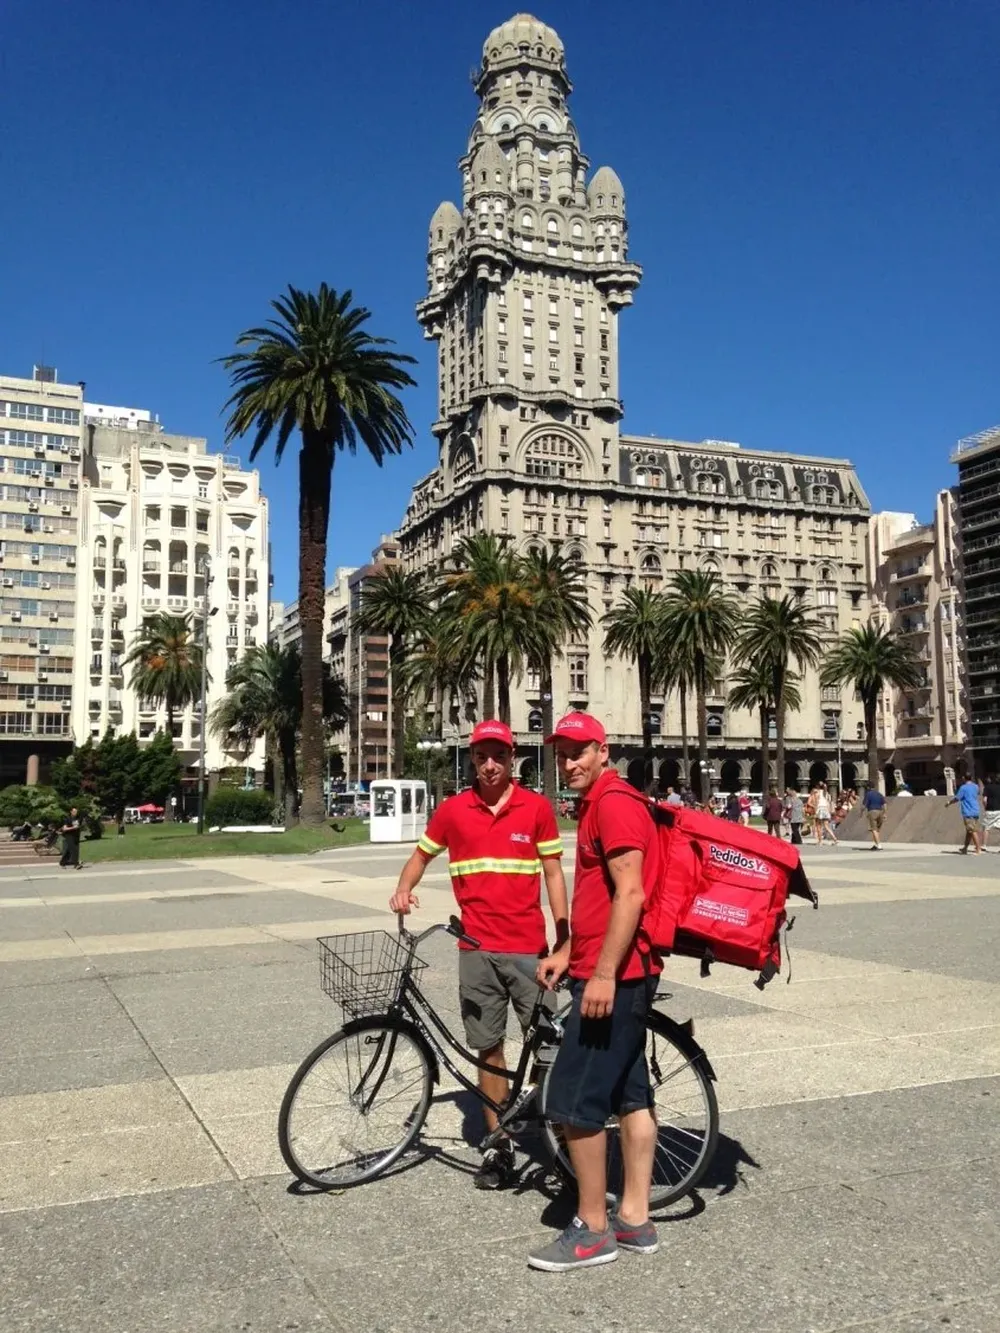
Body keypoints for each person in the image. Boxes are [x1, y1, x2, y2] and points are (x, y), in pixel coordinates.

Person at [389, 719, 568, 1190]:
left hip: (529, 950)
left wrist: (565, 934)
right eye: (482, 757)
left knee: (551, 1049)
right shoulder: (452, 811)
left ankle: (569, 1143)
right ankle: (500, 1147)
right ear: (472, 759)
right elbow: (421, 856)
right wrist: (403, 889)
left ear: (512, 759)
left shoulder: (536, 809)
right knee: (489, 1050)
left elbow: (553, 876)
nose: (491, 765)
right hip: (476, 951)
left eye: (500, 756)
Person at [529, 712, 660, 1273]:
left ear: (604, 751)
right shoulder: (600, 802)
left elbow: (629, 894)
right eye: (562, 754)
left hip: (617, 978)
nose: (569, 762)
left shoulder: (613, 803)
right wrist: (569, 952)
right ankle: (634, 1218)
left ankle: (592, 1229)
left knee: (573, 1102)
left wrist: (602, 974)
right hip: (616, 970)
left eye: (580, 751)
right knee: (632, 1096)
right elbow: (600, 897)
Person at [948, 776, 983, 855]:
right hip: (975, 810)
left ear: (964, 778)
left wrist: (949, 803)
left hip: (968, 811)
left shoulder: (963, 788)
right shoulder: (976, 786)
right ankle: (965, 848)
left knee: (972, 831)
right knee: (969, 831)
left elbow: (957, 798)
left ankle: (978, 849)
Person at [862, 784, 887, 850]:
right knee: (877, 829)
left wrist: (861, 812)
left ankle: (879, 845)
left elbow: (864, 805)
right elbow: (884, 804)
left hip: (872, 812)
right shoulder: (879, 794)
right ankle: (876, 844)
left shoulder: (868, 794)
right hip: (880, 811)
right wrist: (884, 813)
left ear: (868, 787)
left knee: (874, 829)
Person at [982, 773, 1000, 851]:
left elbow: (984, 800)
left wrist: (985, 807)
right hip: (999, 810)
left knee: (986, 828)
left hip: (990, 810)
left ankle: (984, 845)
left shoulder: (987, 787)